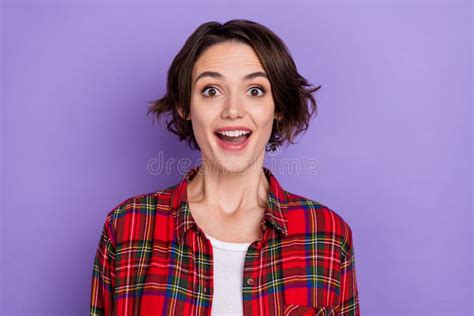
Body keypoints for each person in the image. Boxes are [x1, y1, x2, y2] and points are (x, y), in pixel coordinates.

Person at [90, 19, 360, 316]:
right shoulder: (128, 227)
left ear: (278, 106)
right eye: (211, 91)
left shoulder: (327, 235)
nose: (233, 110)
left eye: (255, 90)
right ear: (185, 105)